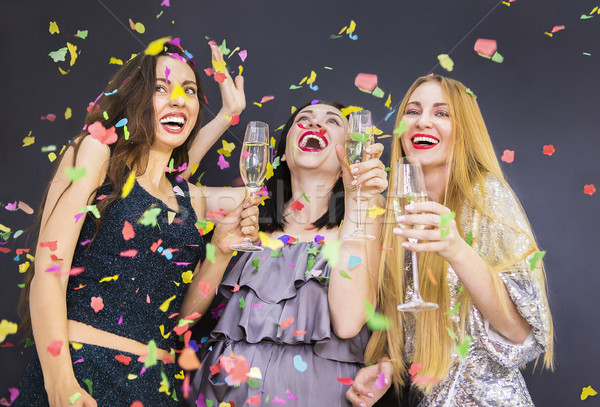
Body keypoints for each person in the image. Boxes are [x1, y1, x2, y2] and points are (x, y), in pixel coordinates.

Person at [14, 39, 259, 407]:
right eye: (162, 87)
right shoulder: (95, 154)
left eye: (189, 91)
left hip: (157, 389)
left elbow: (182, 320)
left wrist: (221, 253)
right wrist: (60, 382)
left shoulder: (188, 198)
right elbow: (49, 272)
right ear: (136, 97)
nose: (178, 99)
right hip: (85, 372)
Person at [346, 75, 554, 407]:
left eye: (442, 113)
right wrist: (388, 366)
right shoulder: (392, 213)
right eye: (412, 111)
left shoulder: (486, 196)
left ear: (464, 130)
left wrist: (456, 249)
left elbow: (521, 336)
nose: (423, 121)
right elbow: (416, 329)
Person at [180, 101, 388, 406]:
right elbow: (168, 187)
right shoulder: (248, 206)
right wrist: (226, 113)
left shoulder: (369, 213)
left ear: (351, 150)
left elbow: (347, 324)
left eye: (332, 121)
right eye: (303, 119)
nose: (315, 124)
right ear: (285, 150)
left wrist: (358, 198)